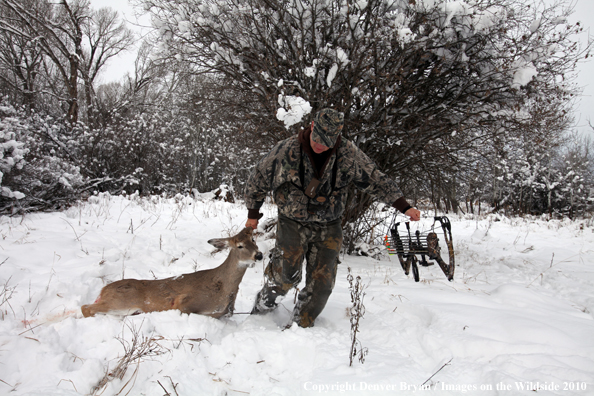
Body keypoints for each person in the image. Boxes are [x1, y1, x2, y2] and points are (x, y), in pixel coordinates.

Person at [244, 108, 420, 328]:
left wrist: (404, 206)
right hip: (292, 222)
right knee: (285, 277)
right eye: (318, 138)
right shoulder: (286, 149)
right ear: (311, 127)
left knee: (322, 284)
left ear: (337, 136)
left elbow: (375, 179)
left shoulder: (347, 153)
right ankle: (263, 309)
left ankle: (301, 325)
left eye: (327, 141)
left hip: (329, 224)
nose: (320, 145)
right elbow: (258, 178)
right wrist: (253, 214)